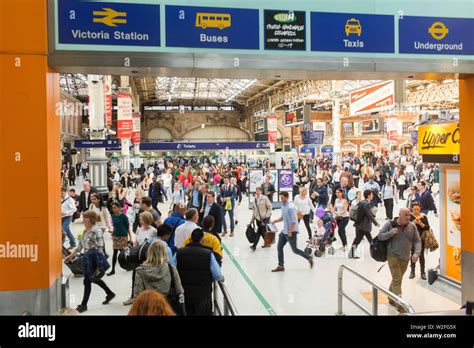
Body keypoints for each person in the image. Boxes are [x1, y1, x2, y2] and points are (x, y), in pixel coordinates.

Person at [64, 211, 115, 313]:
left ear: (91, 219)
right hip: (87, 259)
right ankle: (109, 293)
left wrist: (98, 264)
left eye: (85, 218)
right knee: (92, 279)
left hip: (94, 260)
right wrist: (70, 256)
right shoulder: (85, 231)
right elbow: (79, 247)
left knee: (87, 281)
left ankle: (84, 305)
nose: (83, 220)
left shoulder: (97, 231)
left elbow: (100, 248)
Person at [377, 207, 421, 313]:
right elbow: (380, 236)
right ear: (399, 215)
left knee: (397, 278)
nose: (408, 217)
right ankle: (400, 305)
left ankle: (391, 297)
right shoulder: (390, 224)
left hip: (405, 257)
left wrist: (416, 253)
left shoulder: (412, 226)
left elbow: (417, 241)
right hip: (392, 256)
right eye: (405, 215)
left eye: (409, 215)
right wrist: (390, 233)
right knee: (397, 279)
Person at [171, 229, 224, 316]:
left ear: (190, 239)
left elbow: (172, 270)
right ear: (202, 239)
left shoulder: (179, 253)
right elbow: (217, 275)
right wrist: (221, 277)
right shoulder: (208, 254)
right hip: (203, 294)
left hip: (184, 293)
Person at [270, 192, 314, 272]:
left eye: (282, 197)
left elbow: (294, 221)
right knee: (279, 247)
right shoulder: (283, 206)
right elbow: (283, 217)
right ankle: (281, 266)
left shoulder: (291, 207)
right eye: (280, 197)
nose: (281, 199)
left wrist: (290, 231)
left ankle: (309, 257)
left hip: (292, 231)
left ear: (287, 197)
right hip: (284, 231)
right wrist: (275, 221)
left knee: (295, 250)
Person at [133, 240, 184, 308]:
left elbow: (137, 296)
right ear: (165, 253)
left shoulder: (140, 270)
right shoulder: (171, 268)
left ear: (149, 252)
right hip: (166, 307)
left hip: (148, 308)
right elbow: (179, 291)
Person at [348, 189, 380, 259]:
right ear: (368, 195)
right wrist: (376, 223)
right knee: (367, 240)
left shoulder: (363, 202)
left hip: (361, 225)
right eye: (371, 194)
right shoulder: (366, 204)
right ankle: (376, 253)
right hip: (364, 225)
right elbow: (369, 215)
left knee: (360, 240)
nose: (372, 196)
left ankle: (351, 254)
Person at [107, 202, 131, 276]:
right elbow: (115, 226)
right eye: (112, 208)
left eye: (115, 207)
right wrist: (112, 232)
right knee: (115, 253)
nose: (113, 209)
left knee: (124, 252)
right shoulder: (113, 216)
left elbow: (127, 227)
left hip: (123, 236)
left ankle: (129, 266)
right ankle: (113, 270)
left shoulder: (124, 217)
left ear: (119, 208)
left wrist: (130, 237)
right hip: (115, 236)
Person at [409, 202, 429, 280]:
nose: (416, 211)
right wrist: (414, 222)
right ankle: (412, 271)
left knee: (421, 256)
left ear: (420, 208)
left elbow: (427, 227)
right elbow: (406, 227)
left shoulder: (423, 216)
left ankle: (422, 272)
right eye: (414, 209)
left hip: (421, 239)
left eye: (418, 209)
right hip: (412, 239)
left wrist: (420, 223)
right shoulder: (410, 216)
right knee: (413, 255)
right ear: (412, 209)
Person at [250, 187, 273, 251]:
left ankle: (254, 246)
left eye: (258, 191)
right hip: (258, 218)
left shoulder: (265, 198)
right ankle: (268, 243)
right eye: (256, 191)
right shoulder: (254, 199)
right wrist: (252, 220)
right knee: (262, 232)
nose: (257, 192)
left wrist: (267, 215)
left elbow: (270, 207)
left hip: (264, 219)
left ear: (261, 191)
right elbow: (254, 210)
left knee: (259, 231)